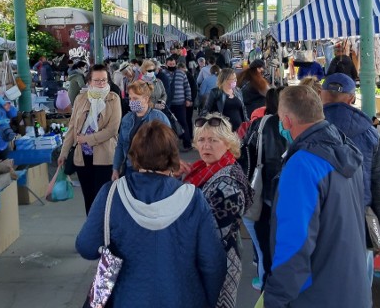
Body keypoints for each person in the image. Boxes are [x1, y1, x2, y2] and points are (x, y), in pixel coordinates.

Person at [76, 121, 227, 308]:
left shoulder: (112, 193)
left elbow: (86, 246)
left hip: (126, 299)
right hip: (183, 299)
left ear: (134, 154)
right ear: (173, 155)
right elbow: (213, 264)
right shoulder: (193, 198)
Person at [264, 85, 370, 307]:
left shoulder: (302, 165)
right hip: (352, 291)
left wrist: (275, 298)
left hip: (316, 295)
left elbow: (294, 245)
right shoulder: (348, 150)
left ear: (286, 121)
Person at [320, 73, 380, 287]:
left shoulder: (307, 127)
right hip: (359, 218)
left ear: (322, 95)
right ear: (352, 98)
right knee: (358, 287)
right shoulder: (369, 131)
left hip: (319, 219)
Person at [184, 114, 253, 308]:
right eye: (202, 140)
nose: (206, 146)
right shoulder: (202, 169)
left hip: (218, 269)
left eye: (213, 140)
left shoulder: (228, 184)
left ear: (228, 143)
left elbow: (212, 233)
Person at [238, 88, 288, 290]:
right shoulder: (297, 127)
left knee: (263, 249)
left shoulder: (261, 124)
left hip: (262, 195)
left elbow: (245, 153)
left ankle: (265, 286)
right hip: (284, 197)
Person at [59, 64, 122, 215]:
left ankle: (105, 232)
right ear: (89, 81)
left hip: (104, 157)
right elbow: (72, 127)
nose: (101, 83)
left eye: (104, 80)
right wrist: (63, 153)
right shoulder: (81, 99)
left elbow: (112, 129)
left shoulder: (113, 99)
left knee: (103, 199)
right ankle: (92, 232)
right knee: (89, 198)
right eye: (97, 80)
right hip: (82, 157)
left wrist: (88, 139)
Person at [112, 81, 171, 179]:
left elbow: (169, 146)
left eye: (135, 98)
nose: (131, 101)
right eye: (130, 98)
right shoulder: (127, 119)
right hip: (130, 168)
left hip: (154, 170)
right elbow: (121, 144)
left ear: (146, 99)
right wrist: (116, 169)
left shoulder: (159, 118)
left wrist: (169, 169)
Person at [165, 56, 194, 150]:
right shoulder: (164, 74)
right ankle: (171, 145)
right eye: (170, 64)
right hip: (168, 104)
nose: (172, 66)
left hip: (180, 103)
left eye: (173, 64)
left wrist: (188, 99)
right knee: (168, 125)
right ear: (166, 64)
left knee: (183, 122)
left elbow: (187, 87)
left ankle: (187, 143)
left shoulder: (181, 74)